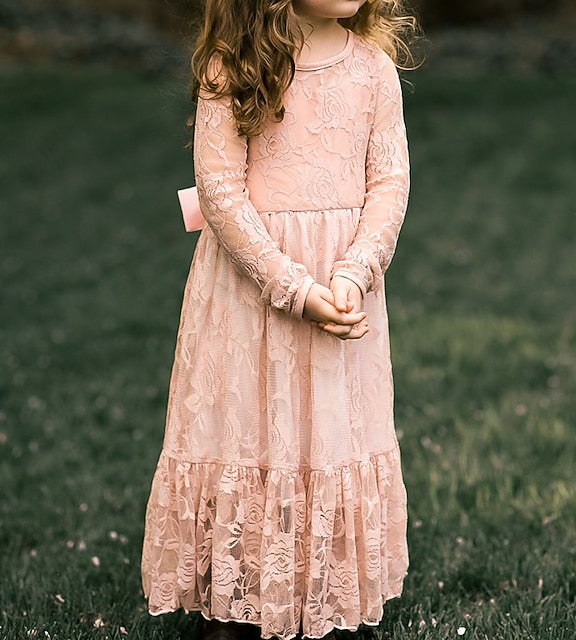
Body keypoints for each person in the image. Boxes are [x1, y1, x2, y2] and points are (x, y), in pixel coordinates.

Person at [141, 1, 421, 639]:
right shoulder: (234, 65)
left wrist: (353, 273)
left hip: (341, 284)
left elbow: (390, 183)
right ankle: (236, 600)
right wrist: (291, 286)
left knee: (327, 434)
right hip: (252, 288)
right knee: (250, 432)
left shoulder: (372, 69)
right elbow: (219, 190)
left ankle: (326, 595)